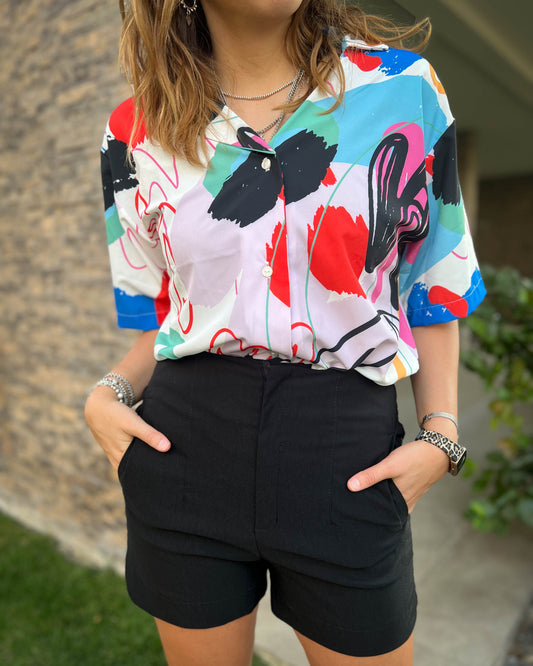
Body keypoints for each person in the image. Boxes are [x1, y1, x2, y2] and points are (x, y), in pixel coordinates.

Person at [85, 1, 486, 664]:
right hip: (184, 450)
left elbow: (434, 286)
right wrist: (107, 394)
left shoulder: (401, 90)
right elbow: (166, 317)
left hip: (344, 458)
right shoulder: (134, 131)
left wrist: (441, 436)